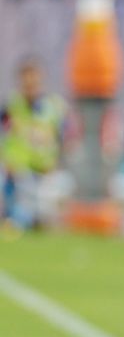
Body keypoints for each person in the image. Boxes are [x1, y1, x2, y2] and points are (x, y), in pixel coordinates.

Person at [1, 58, 66, 230]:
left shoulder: (53, 107)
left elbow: (62, 137)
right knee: (18, 214)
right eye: (26, 81)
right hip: (17, 172)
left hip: (43, 171)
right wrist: (7, 160)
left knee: (42, 217)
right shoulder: (11, 107)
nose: (30, 85)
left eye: (34, 80)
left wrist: (56, 162)